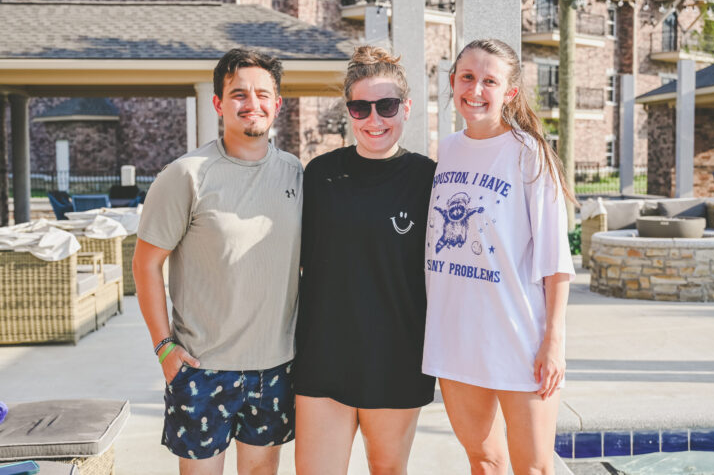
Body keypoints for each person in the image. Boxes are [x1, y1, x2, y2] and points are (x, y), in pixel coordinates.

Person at [133, 48, 302, 475]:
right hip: (202, 368)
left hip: (274, 368)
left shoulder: (295, 173)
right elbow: (145, 264)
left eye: (262, 94)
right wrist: (164, 348)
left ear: (278, 104)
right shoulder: (186, 174)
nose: (252, 104)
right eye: (239, 94)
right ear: (218, 104)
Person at [423, 39, 576, 475]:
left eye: (489, 81)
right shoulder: (447, 150)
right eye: (467, 77)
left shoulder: (530, 154)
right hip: (455, 337)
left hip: (519, 339)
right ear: (452, 81)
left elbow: (556, 260)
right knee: (484, 461)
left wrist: (554, 341)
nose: (475, 90)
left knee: (535, 468)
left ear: (509, 92)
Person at [294, 45, 436, 475]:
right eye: (361, 108)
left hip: (397, 356)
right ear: (349, 111)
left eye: (386, 106)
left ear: (406, 107)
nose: (374, 119)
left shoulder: (429, 179)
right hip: (324, 354)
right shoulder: (320, 175)